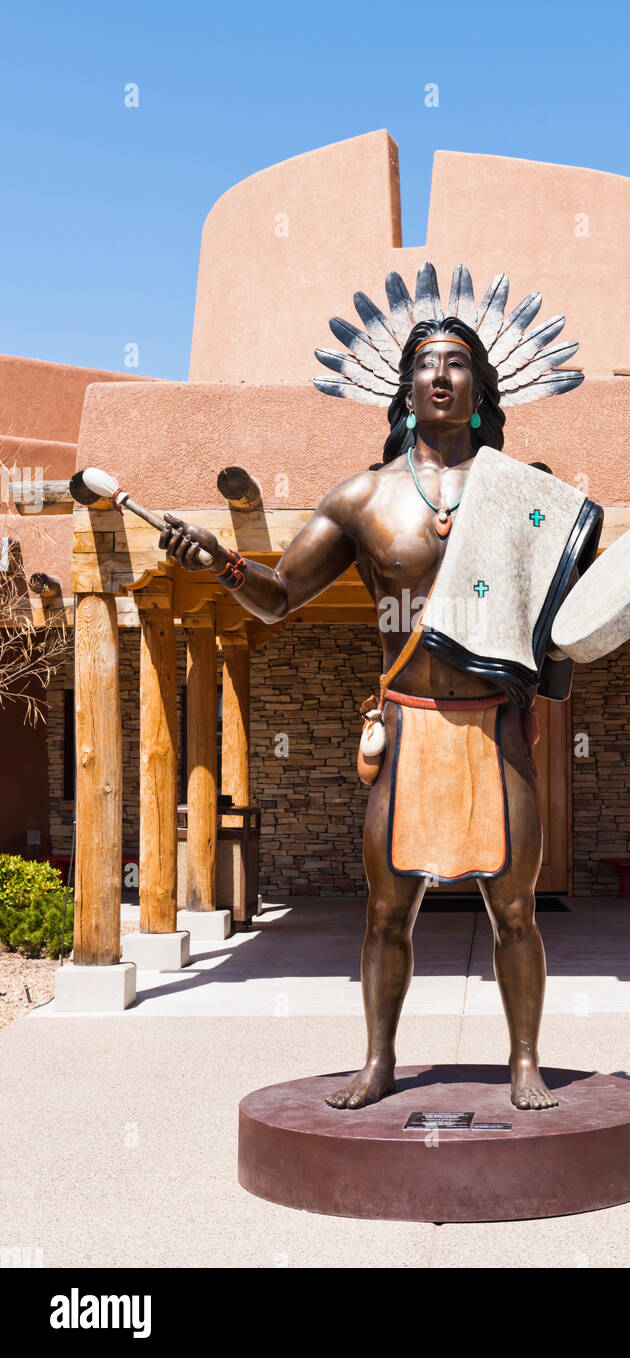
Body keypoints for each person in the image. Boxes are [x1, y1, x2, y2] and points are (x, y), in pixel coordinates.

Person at [162, 290, 577, 1111]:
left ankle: (524, 1060)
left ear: (482, 387)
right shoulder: (361, 499)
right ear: (405, 389)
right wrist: (220, 563)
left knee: (518, 909)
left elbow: (563, 607)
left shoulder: (521, 490)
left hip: (495, 728)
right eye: (425, 364)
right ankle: (380, 1060)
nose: (441, 377)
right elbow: (279, 598)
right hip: (408, 728)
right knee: (388, 912)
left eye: (457, 363)